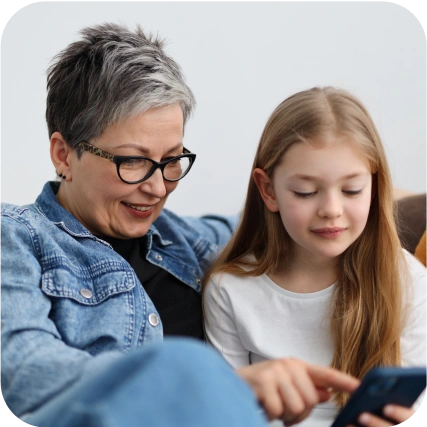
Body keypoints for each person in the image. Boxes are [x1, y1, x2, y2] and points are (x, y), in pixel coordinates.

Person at [0, 23, 366, 427]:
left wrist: (375, 197)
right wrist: (208, 383)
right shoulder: (17, 238)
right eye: (133, 161)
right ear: (63, 155)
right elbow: (23, 368)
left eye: (172, 159)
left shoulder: (184, 241)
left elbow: (281, 218)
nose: (158, 187)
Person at [203, 87, 427, 427]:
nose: (331, 211)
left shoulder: (406, 279)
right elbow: (225, 414)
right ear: (268, 190)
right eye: (306, 192)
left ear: (374, 186)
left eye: (352, 190)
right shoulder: (229, 289)